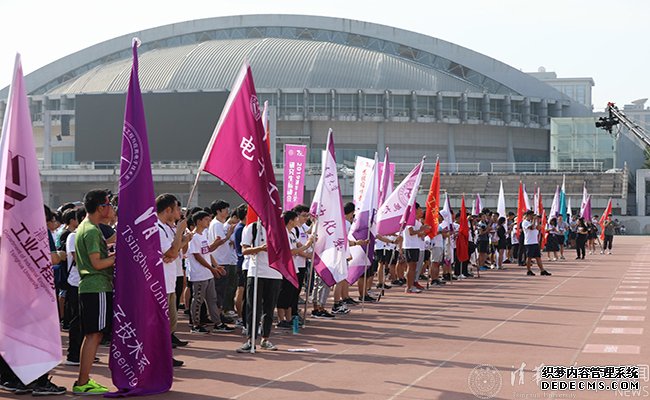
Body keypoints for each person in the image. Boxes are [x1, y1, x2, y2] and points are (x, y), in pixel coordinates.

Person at [73, 190, 116, 394]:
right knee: (94, 335)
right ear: (100, 207)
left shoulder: (90, 227)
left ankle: (84, 381)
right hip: (96, 285)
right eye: (109, 204)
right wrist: (119, 257)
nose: (111, 208)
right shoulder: (90, 230)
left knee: (93, 334)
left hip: (92, 287)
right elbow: (97, 263)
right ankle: (82, 383)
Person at [156, 194, 192, 367]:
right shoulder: (157, 227)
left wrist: (182, 239)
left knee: (170, 321)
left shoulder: (166, 227)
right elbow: (170, 253)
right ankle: (159, 357)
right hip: (161, 281)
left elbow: (176, 250)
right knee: (163, 322)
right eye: (177, 208)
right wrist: (179, 233)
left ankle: (164, 355)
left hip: (170, 280)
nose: (179, 212)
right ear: (168, 209)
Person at [237, 221, 283, 352]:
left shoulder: (279, 228)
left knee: (269, 309)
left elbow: (286, 250)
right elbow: (244, 250)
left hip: (275, 273)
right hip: (256, 272)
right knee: (253, 308)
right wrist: (260, 248)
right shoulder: (252, 228)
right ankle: (250, 340)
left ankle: (265, 339)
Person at [187, 211, 234, 334]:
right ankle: (195, 325)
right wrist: (212, 268)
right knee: (198, 300)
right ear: (198, 221)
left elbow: (207, 251)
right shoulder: (193, 237)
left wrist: (216, 265)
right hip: (199, 275)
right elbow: (198, 256)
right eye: (206, 220)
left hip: (208, 274)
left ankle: (217, 323)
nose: (208, 222)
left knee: (212, 299)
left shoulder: (203, 235)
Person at [277, 211, 314, 326]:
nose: (298, 221)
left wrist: (309, 245)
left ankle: (288, 319)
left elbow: (297, 245)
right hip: (286, 267)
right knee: (284, 293)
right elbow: (291, 252)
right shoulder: (284, 234)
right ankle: (281, 320)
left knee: (291, 294)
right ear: (290, 221)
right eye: (296, 219)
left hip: (294, 267)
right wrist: (306, 245)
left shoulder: (292, 233)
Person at [402, 203, 429, 293]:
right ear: (415, 209)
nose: (421, 211)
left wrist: (423, 229)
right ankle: (409, 287)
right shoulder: (410, 220)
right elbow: (411, 232)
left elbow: (417, 233)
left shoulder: (416, 221)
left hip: (415, 246)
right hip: (410, 246)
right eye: (420, 209)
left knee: (413, 267)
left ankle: (411, 285)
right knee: (411, 267)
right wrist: (422, 229)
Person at [522, 211, 551, 277]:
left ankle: (542, 270)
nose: (532, 217)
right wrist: (534, 220)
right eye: (531, 215)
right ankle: (528, 270)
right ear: (528, 215)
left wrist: (537, 221)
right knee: (529, 257)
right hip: (529, 242)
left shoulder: (533, 222)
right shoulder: (525, 222)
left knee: (538, 257)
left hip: (535, 242)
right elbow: (531, 228)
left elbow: (538, 228)